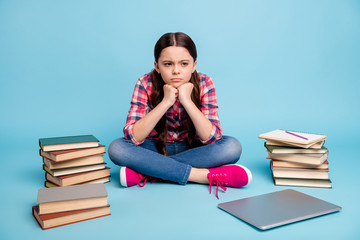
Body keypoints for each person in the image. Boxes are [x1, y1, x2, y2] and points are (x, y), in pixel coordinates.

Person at [108, 32, 252, 198]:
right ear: (157, 66)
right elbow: (133, 136)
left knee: (231, 146)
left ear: (194, 65)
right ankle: (202, 176)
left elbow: (212, 138)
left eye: (184, 64)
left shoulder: (205, 83)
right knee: (117, 148)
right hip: (154, 148)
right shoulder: (145, 82)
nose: (176, 71)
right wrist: (165, 102)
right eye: (168, 64)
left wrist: (187, 101)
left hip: (192, 149)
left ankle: (148, 172)